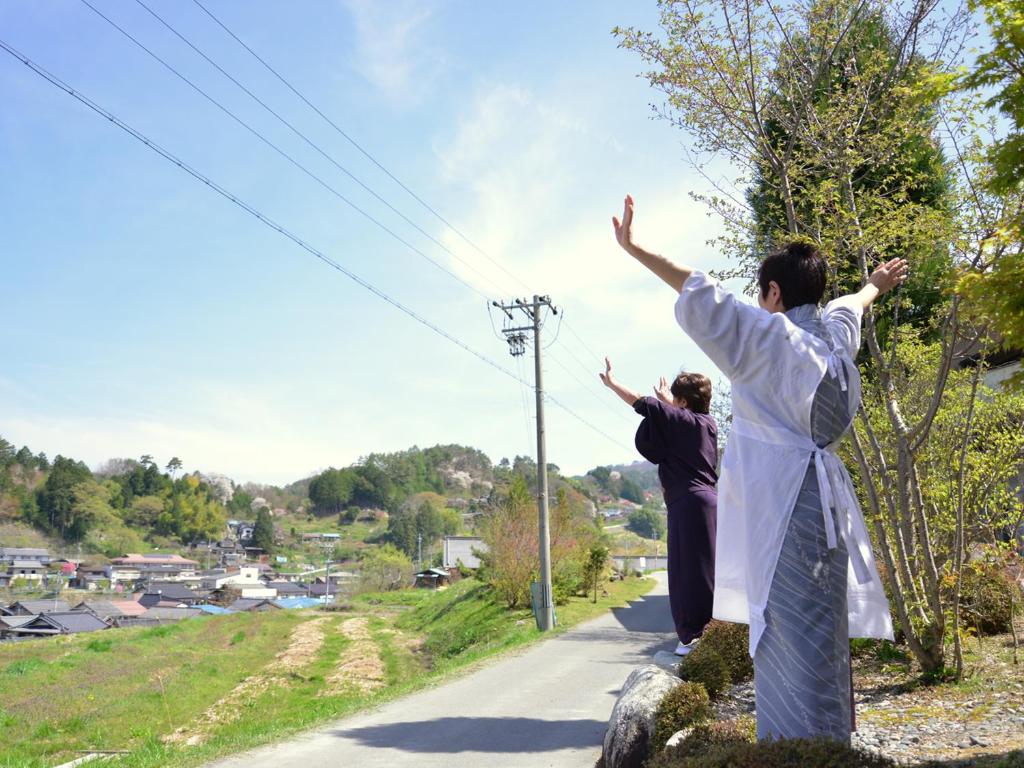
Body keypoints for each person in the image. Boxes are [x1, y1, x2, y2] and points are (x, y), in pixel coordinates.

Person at [611, 194, 901, 742]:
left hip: (783, 508)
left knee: (785, 628)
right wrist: (875, 285)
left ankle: (793, 747)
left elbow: (699, 290)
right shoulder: (833, 342)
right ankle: (831, 745)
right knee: (824, 628)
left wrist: (636, 248)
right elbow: (850, 307)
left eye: (762, 295)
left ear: (773, 293)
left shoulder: (770, 341)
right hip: (827, 508)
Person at [599, 359, 718, 656]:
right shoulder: (707, 424)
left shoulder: (683, 421)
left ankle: (694, 636)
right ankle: (708, 634)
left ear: (683, 402)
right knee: (705, 571)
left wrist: (613, 384)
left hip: (688, 504)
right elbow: (673, 415)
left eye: (675, 400)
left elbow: (642, 403)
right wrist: (670, 402)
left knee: (685, 573)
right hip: (706, 503)